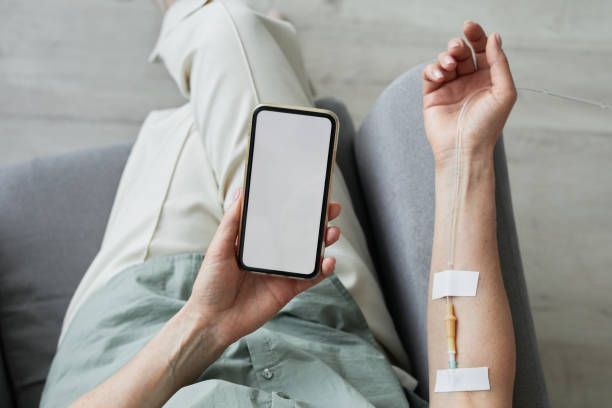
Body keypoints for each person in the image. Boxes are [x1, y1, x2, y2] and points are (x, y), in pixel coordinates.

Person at [41, 0, 517, 406]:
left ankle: (227, 26)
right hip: (323, 314)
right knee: (234, 42)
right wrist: (463, 154)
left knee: (212, 78)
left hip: (139, 331)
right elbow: (469, 394)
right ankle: (242, 33)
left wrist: (205, 325)